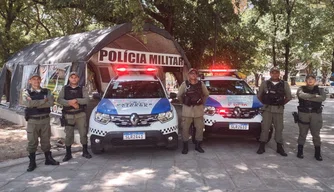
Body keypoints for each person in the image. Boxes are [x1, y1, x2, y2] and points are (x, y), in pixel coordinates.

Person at [22, 73, 60, 172]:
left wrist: (35, 103)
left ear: (40, 80)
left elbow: (51, 103)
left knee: (46, 141)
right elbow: (27, 103)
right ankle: (32, 162)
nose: (36, 81)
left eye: (38, 79)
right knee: (32, 142)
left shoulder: (47, 91)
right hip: (33, 121)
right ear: (30, 81)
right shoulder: (26, 92)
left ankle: (48, 159)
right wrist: (43, 101)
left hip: (45, 120)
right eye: (33, 79)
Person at [257, 67, 292, 156]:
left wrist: (281, 104)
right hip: (267, 109)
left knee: (279, 128)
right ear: (270, 74)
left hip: (278, 110)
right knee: (265, 128)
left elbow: (288, 97)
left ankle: (279, 147)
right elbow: (259, 96)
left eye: (276, 73)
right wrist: (265, 103)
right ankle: (262, 146)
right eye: (273, 73)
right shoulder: (265, 83)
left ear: (279, 74)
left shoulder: (284, 84)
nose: (275, 74)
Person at [57, 72, 92, 161]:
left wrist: (76, 100)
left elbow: (87, 100)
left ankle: (85, 151)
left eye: (75, 77)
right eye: (72, 77)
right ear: (69, 79)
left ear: (78, 79)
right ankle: (68, 153)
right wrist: (70, 103)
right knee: (68, 135)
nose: (73, 79)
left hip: (80, 114)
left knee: (83, 133)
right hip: (68, 114)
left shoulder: (82, 89)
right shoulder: (65, 89)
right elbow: (59, 100)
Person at [177, 68, 209, 154]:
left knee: (199, 129)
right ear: (189, 75)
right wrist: (184, 103)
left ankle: (198, 146)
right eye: (191, 73)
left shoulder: (201, 84)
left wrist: (202, 103)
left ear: (197, 75)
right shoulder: (185, 84)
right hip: (187, 111)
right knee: (185, 129)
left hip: (198, 111)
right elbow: (179, 95)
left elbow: (206, 94)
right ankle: (185, 147)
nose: (193, 75)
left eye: (195, 73)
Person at [296, 74, 326, 161]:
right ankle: (300, 151)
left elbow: (322, 98)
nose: (310, 80)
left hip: (316, 115)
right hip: (303, 114)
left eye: (312, 79)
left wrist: (308, 97)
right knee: (302, 133)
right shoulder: (301, 89)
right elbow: (302, 95)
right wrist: (314, 96)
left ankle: (317, 153)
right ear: (305, 80)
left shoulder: (320, 90)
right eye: (308, 79)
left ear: (315, 80)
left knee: (316, 134)